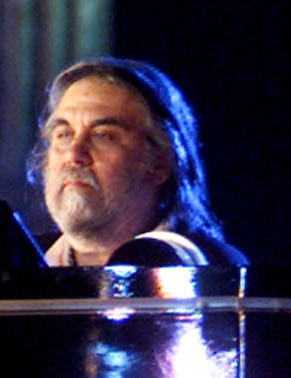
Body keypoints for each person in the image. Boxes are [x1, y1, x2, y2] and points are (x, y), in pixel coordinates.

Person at [28, 56, 246, 267]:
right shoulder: (18, 267)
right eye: (64, 134)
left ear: (160, 162)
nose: (74, 155)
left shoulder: (206, 271)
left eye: (103, 135)